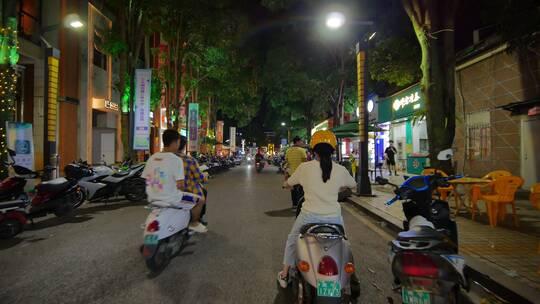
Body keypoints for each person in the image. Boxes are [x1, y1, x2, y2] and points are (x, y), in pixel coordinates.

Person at [277, 130, 357, 287]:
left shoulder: (305, 168)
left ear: (313, 150)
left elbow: (289, 183)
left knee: (292, 240)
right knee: (344, 244)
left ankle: (285, 275)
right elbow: (353, 185)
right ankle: (352, 277)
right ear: (333, 150)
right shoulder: (340, 170)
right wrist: (338, 189)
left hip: (308, 217)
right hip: (334, 218)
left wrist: (285, 184)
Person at [142, 129, 207, 233]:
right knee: (199, 200)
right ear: (175, 142)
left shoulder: (152, 158)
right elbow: (180, 185)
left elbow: (147, 179)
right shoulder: (176, 160)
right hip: (172, 198)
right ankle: (194, 223)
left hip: (152, 197)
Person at [176, 135, 209, 226]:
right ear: (184, 146)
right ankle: (196, 219)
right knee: (202, 196)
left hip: (169, 189)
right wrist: (205, 175)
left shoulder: (168, 159)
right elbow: (199, 177)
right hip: (187, 189)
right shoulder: (189, 160)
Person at [285, 136, 307, 212]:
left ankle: (294, 205)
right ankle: (300, 205)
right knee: (301, 190)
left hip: (292, 173)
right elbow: (304, 162)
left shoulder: (288, 151)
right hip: (300, 173)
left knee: (293, 190)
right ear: (297, 142)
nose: (302, 143)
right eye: (301, 141)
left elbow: (287, 162)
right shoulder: (302, 150)